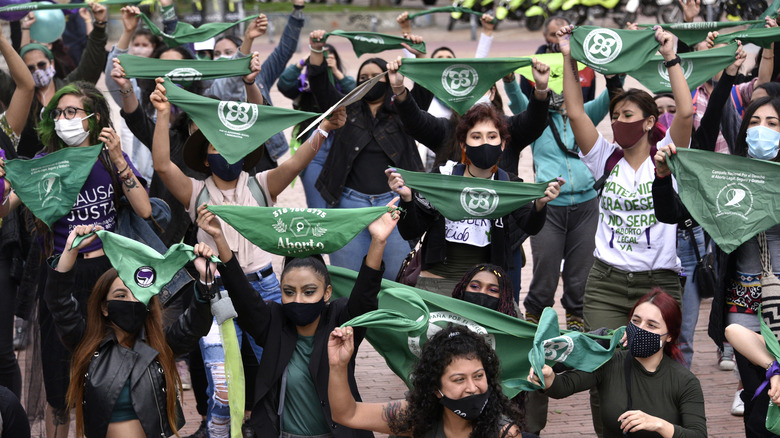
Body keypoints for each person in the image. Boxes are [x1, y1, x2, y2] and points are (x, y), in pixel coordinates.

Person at [150, 77, 346, 437]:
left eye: (232, 145)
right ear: (205, 157)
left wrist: (324, 131)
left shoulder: (261, 184)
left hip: (265, 292)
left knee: (282, 370)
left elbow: (297, 163)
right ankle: (218, 431)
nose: (225, 153)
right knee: (222, 387)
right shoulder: (195, 192)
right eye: (216, 146)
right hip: (216, 295)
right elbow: (162, 165)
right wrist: (163, 114)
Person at [0, 80, 151, 437]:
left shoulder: (108, 158)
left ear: (94, 118)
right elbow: (5, 209)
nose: (63, 119)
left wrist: (117, 158)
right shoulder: (44, 163)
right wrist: (5, 183)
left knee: (106, 375)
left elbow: (144, 208)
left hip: (108, 278)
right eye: (58, 113)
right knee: (60, 385)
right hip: (61, 278)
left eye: (72, 112)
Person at [197, 197, 398, 437]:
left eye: (309, 291)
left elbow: (365, 295)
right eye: (289, 292)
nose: (299, 300)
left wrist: (378, 240)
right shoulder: (273, 322)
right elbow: (242, 294)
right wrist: (219, 237)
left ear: (327, 293)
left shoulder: (340, 321)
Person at [655, 96, 780, 437]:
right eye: (754, 123)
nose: (762, 131)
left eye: (772, 124)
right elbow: (672, 214)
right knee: (759, 405)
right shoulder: (726, 177)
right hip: (742, 309)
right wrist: (664, 177)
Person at [44, 224, 215, 437]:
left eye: (136, 294)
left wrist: (206, 280)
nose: (130, 301)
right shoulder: (87, 346)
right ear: (105, 307)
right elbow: (59, 303)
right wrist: (71, 249)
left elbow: (193, 325)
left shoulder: (160, 346)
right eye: (121, 295)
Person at [386, 102, 561, 295]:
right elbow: (410, 231)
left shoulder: (508, 184)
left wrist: (540, 205)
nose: (485, 143)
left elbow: (531, 226)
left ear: (503, 144)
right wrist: (407, 199)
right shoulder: (444, 178)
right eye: (476, 137)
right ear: (463, 144)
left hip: (484, 292)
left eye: (492, 136)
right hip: (437, 287)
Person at [306, 29, 423, 280]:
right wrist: (316, 50)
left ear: (388, 78)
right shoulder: (344, 109)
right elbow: (319, 84)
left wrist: (418, 56)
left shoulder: (405, 110)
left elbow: (424, 93)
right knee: (348, 281)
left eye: (375, 76)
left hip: (393, 205)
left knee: (394, 281)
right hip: (348, 206)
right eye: (363, 77)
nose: (369, 80)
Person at [529, 289, 707, 438]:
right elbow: (563, 386)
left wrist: (659, 425)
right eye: (636, 321)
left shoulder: (685, 381)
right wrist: (548, 376)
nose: (640, 329)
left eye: (651, 325)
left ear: (669, 336)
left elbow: (698, 434)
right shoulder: (610, 361)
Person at [328, 323, 524, 437]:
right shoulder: (413, 417)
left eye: (479, 376)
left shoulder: (504, 433)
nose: (472, 388)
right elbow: (347, 414)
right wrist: (338, 365)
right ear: (435, 388)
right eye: (458, 380)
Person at [0, 1, 109, 159]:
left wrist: (99, 25)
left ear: (51, 63)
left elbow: (91, 63)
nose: (37, 70)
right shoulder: (14, 93)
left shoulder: (68, 87)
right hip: (28, 170)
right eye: (29, 68)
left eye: (41, 64)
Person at [0, 19, 34, 401]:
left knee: (2, 355)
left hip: (1, 255)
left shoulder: (3, 131)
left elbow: (26, 85)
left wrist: (2, 41)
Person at [277, 43, 356, 209]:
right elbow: (284, 83)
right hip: (313, 142)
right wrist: (304, 62)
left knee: (342, 205)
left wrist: (335, 71)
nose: (325, 61)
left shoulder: (342, 83)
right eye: (321, 57)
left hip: (341, 145)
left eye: (329, 57)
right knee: (317, 207)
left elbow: (356, 95)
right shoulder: (303, 86)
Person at [519, 16, 595, 103]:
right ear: (545, 35)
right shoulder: (531, 67)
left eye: (565, 34)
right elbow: (524, 106)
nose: (559, 39)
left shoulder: (586, 67)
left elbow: (590, 105)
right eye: (553, 35)